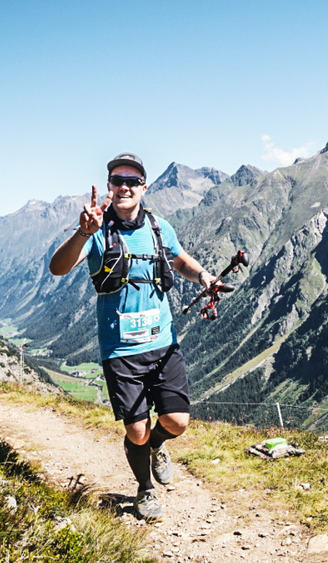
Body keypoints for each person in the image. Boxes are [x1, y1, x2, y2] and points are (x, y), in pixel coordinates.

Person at [49, 153, 216, 522]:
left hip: (163, 343)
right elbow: (57, 268)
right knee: (136, 431)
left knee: (177, 422)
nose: (124, 187)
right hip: (121, 350)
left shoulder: (159, 226)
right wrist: (83, 233)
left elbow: (179, 259)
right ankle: (145, 490)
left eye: (132, 181)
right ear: (109, 186)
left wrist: (202, 275)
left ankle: (158, 447)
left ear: (144, 187)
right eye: (116, 180)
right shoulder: (96, 231)